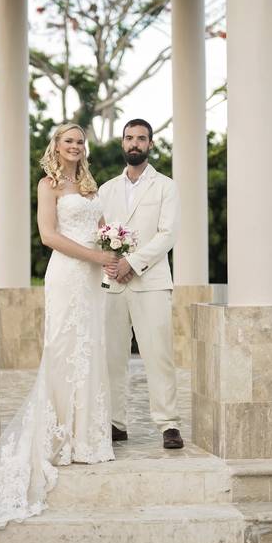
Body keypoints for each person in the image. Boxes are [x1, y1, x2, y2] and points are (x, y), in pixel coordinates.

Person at [0, 123, 117, 530]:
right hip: (68, 275)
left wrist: (114, 248)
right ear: (56, 146)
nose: (74, 146)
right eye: (67, 141)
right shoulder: (48, 184)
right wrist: (95, 256)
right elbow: (49, 236)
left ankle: (89, 439)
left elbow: (103, 230)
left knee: (91, 347)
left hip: (93, 280)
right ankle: (59, 437)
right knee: (62, 349)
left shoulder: (91, 186)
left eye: (79, 141)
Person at [97, 118, 183, 449]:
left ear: (150, 144)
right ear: (122, 143)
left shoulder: (166, 186)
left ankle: (168, 424)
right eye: (130, 138)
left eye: (141, 138)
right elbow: (100, 235)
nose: (135, 143)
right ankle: (115, 422)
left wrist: (132, 263)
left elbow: (168, 233)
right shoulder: (106, 189)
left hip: (152, 282)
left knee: (158, 353)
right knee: (112, 356)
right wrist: (111, 264)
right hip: (112, 284)